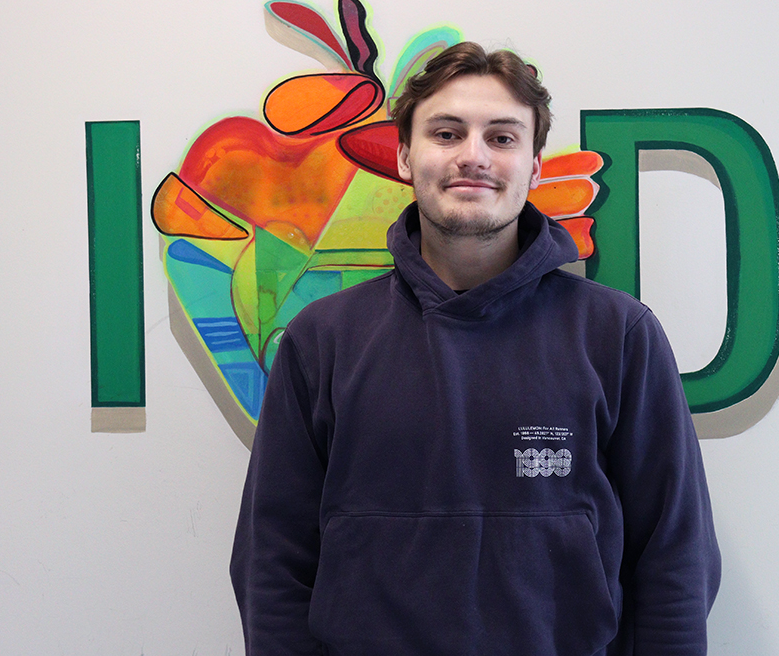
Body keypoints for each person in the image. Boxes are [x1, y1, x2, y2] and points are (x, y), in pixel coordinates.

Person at [231, 41, 721, 655]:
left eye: (503, 138)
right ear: (406, 157)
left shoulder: (617, 336)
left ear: (535, 166)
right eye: (446, 133)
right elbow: (271, 562)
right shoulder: (322, 341)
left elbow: (675, 557)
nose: (473, 157)